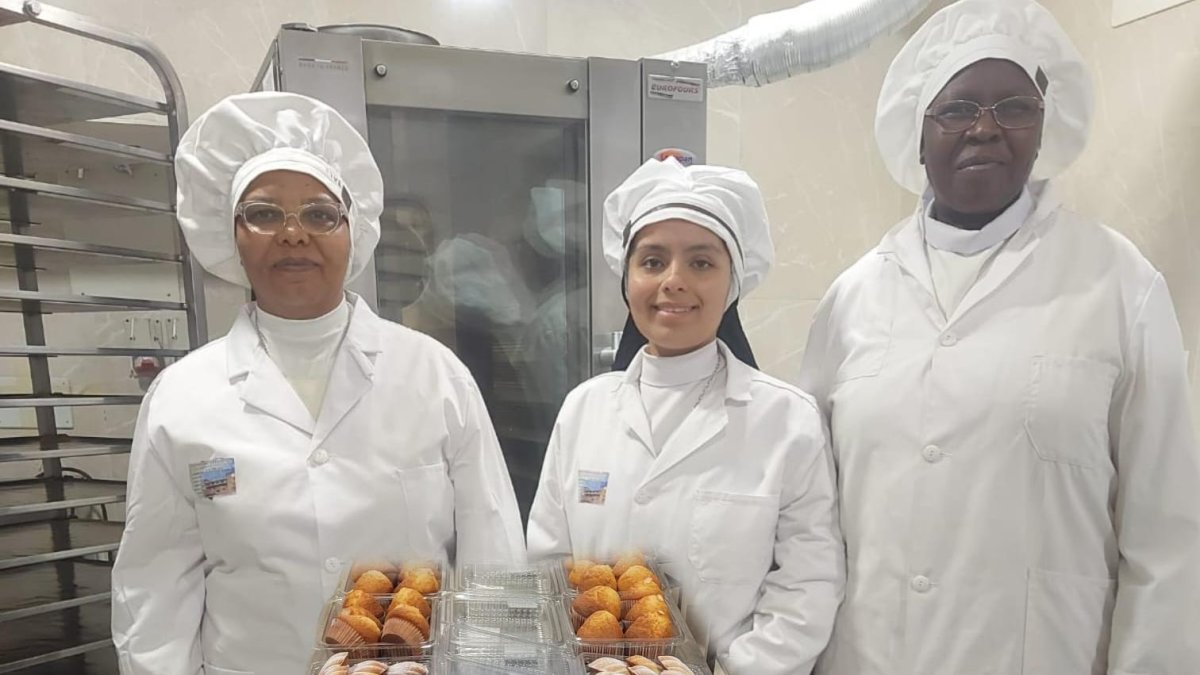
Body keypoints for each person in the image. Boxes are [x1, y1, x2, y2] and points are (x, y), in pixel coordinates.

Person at [799, 2, 1200, 673]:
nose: (984, 128)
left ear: (1044, 124)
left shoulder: (1118, 284)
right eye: (956, 109)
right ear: (918, 132)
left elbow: (1167, 538)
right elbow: (805, 513)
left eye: (1013, 106)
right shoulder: (853, 298)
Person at [111, 92, 525, 674]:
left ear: (351, 230)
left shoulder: (435, 376)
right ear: (231, 234)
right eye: (262, 213)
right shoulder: (181, 398)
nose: (292, 234)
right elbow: (155, 590)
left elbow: (493, 560)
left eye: (319, 213)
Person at [527, 157, 843, 675]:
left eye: (701, 263)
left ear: (732, 282)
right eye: (652, 261)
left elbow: (807, 587)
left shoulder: (786, 420)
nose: (673, 281)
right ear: (627, 279)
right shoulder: (585, 408)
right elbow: (547, 566)